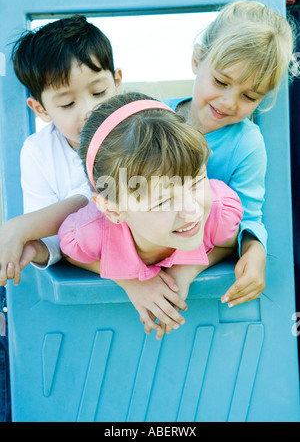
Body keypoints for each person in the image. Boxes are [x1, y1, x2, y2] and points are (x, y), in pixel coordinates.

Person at [58, 92, 243, 338]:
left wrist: (186, 270)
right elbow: (73, 255)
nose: (191, 210)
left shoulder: (219, 213)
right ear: (113, 209)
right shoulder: (88, 234)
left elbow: (229, 245)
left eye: (197, 182)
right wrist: (133, 281)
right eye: (164, 201)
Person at [165, 0, 297, 308]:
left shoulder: (246, 142)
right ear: (198, 59)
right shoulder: (156, 117)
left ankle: (188, 266)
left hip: (205, 241)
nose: (228, 102)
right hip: (152, 231)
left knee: (221, 204)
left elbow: (248, 217)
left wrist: (254, 253)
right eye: (221, 81)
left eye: (249, 96)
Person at [0, 15, 122, 284]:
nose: (89, 111)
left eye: (99, 92)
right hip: (94, 269)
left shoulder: (141, 127)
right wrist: (36, 247)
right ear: (41, 109)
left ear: (117, 82)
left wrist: (23, 227)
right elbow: (56, 239)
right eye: (67, 104)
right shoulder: (38, 153)